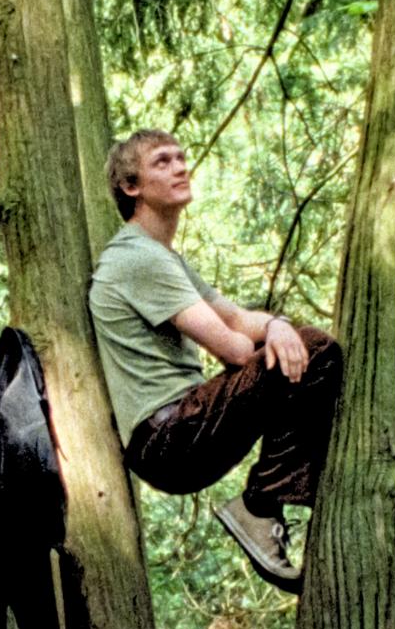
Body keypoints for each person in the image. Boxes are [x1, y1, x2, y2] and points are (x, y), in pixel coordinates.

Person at [88, 129, 343, 593]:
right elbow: (232, 348)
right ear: (131, 186)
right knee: (317, 353)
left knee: (299, 351)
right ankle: (260, 507)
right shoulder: (136, 258)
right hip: (167, 436)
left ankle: (268, 503)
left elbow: (240, 318)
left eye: (182, 157)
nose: (181, 167)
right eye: (163, 162)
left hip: (182, 429)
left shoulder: (164, 258)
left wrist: (277, 325)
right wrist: (277, 338)